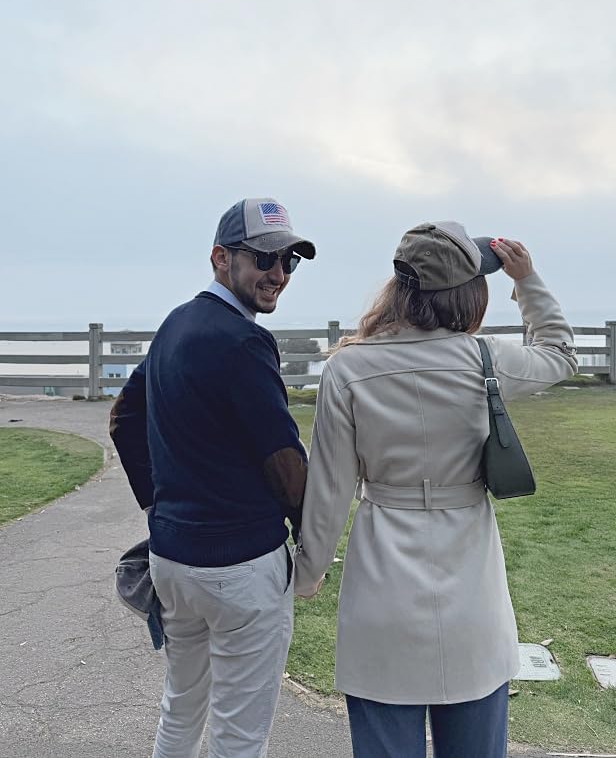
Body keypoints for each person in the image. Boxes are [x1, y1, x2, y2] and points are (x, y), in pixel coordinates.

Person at [294, 221, 577, 758]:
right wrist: (528, 279)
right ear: (470, 291)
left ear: (400, 287)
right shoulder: (484, 360)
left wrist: (307, 575)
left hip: (382, 583)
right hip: (471, 583)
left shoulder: (348, 368)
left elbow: (329, 489)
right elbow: (560, 353)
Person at [110, 197, 315, 758]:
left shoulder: (177, 322)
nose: (278, 275)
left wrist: (162, 506)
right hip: (241, 566)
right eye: (264, 260)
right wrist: (313, 546)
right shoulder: (245, 340)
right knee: (238, 736)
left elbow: (123, 417)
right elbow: (285, 462)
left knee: (181, 709)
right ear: (221, 258)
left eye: (289, 262)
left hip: (172, 560)